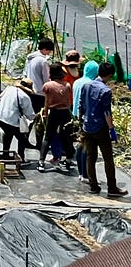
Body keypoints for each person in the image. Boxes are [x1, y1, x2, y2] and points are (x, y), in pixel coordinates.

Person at [79, 61, 128, 196]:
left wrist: (80, 123)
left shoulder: (86, 86)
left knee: (90, 157)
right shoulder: (105, 91)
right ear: (110, 75)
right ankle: (112, 188)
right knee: (108, 158)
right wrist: (111, 129)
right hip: (100, 128)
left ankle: (93, 186)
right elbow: (107, 112)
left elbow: (81, 106)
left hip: (87, 126)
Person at [0, 77, 38, 163]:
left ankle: (5, 154)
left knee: (8, 134)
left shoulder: (9, 89)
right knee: (22, 139)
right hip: (10, 120)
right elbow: (30, 115)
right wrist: (37, 115)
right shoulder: (24, 97)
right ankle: (21, 158)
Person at [39, 63, 75, 171]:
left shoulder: (48, 86)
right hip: (65, 113)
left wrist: (45, 113)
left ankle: (41, 161)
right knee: (66, 137)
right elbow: (68, 101)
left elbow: (47, 101)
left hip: (54, 112)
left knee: (48, 137)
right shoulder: (67, 85)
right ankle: (68, 159)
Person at [72, 60, 99, 182]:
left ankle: (80, 172)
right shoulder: (91, 84)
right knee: (86, 147)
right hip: (85, 117)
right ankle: (85, 174)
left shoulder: (77, 81)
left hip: (75, 115)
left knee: (79, 144)